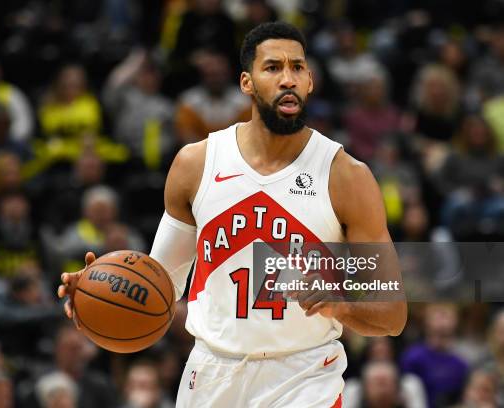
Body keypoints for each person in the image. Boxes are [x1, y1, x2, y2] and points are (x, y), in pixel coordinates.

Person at [58, 22, 406, 407]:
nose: (287, 78)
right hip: (210, 375)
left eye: (298, 68)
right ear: (247, 82)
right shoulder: (196, 163)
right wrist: (99, 285)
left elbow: (392, 314)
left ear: (310, 81)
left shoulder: (346, 176)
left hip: (304, 377)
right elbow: (161, 285)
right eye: (273, 67)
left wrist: (338, 303)